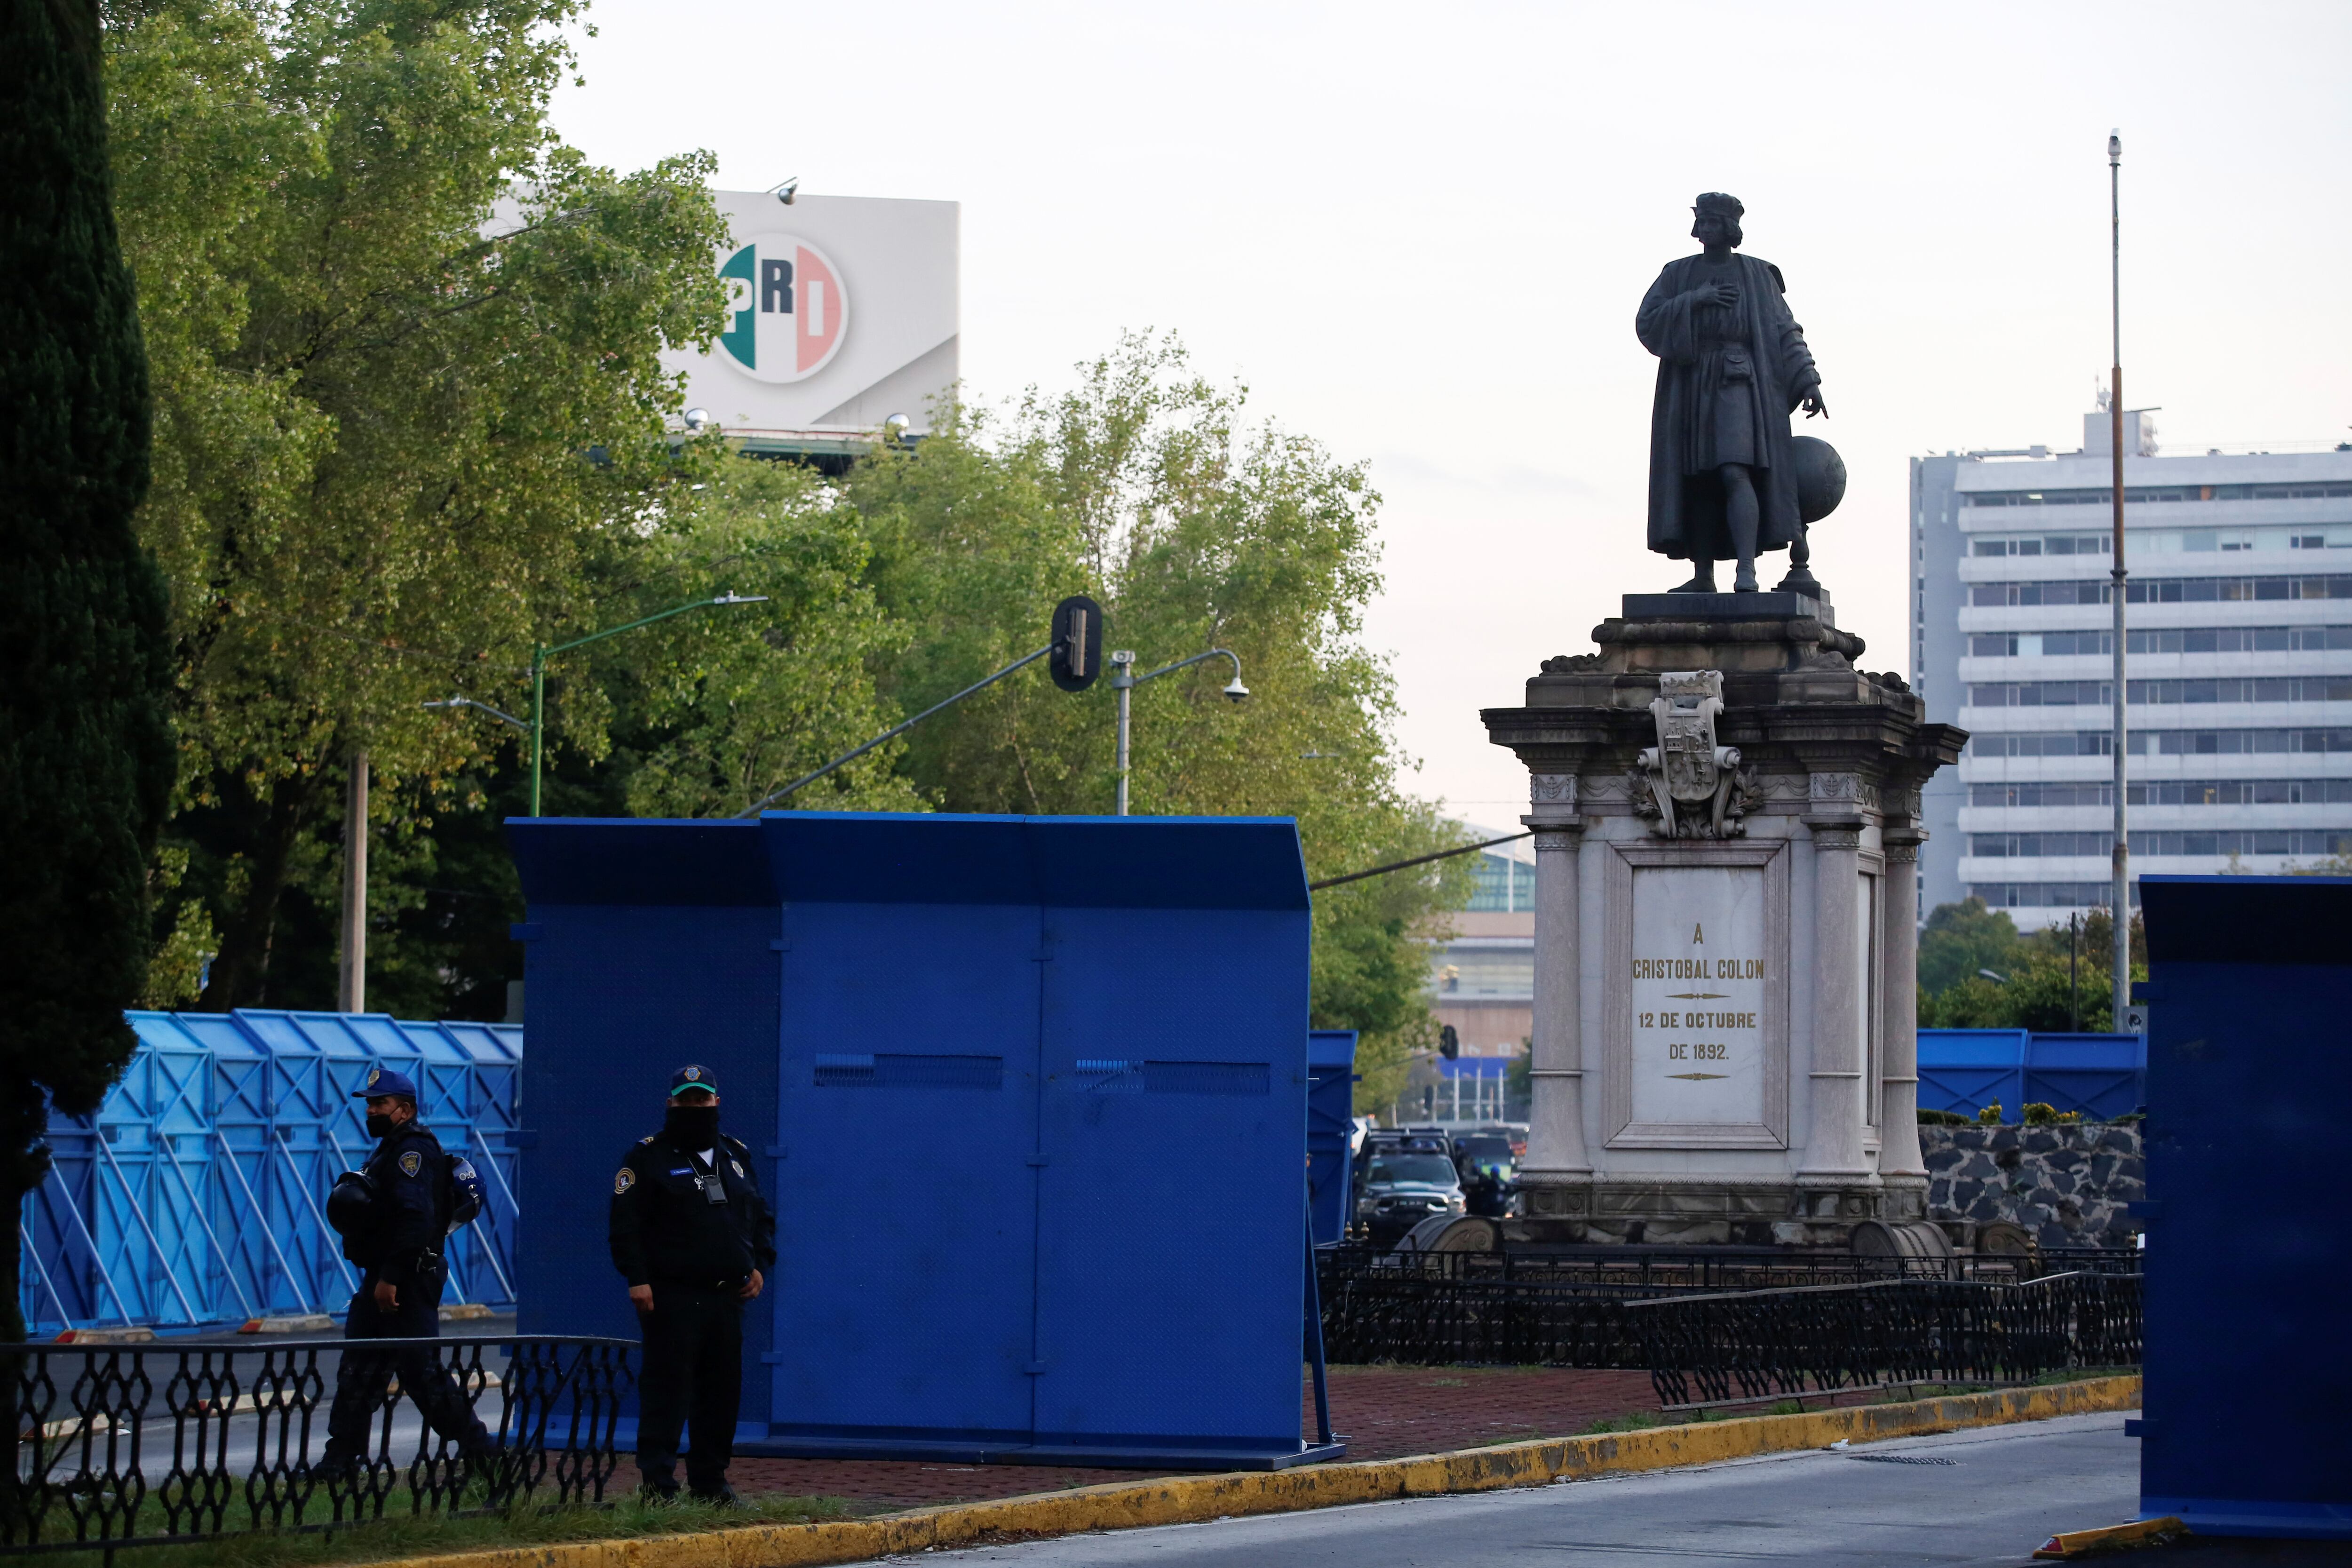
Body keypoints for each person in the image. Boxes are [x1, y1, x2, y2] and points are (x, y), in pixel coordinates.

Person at [1636, 191, 1828, 595]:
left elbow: (1785, 330)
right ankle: (1703, 575)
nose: (1706, 229)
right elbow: (1648, 320)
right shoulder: (1677, 274)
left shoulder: (1759, 275)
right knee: (1699, 479)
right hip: (1690, 382)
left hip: (1739, 380)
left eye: (1713, 222)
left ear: (1729, 227)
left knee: (1735, 470)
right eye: (1701, 222)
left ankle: (1746, 570)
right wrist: (1695, 300)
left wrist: (1808, 378)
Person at [314, 1067, 495, 1483]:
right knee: (358, 1369)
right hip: (384, 1274)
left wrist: (391, 1277)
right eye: (369, 1103)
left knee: (421, 1372)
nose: (372, 1110)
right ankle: (339, 1460)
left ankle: (481, 1448)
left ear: (405, 1109)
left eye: (381, 1104)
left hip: (408, 1278)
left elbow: (415, 1220)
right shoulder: (389, 1148)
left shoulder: (412, 1150)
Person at [608, 1065, 776, 1504]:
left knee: (721, 1393)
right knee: (668, 1390)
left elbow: (760, 1216)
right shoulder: (647, 1157)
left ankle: (710, 1482)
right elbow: (625, 1225)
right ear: (671, 1104)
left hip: (728, 1295)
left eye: (702, 1099)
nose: (694, 1107)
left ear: (716, 1103)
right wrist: (637, 1278)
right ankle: (658, 1485)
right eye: (686, 1100)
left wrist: (759, 1264)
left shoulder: (736, 1155)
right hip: (672, 1295)